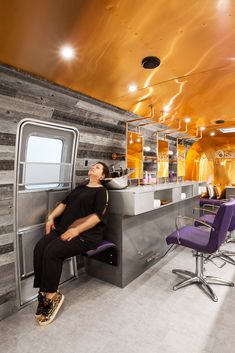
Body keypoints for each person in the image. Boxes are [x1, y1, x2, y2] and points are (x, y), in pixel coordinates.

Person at [33, 161, 109, 326]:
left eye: (97, 167)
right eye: (93, 166)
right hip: (63, 229)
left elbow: (97, 217)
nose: (93, 168)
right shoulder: (80, 188)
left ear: (102, 176)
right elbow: (63, 204)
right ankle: (45, 291)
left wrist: (77, 231)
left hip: (86, 234)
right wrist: (51, 218)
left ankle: (52, 296)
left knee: (52, 252)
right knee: (40, 248)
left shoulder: (102, 192)